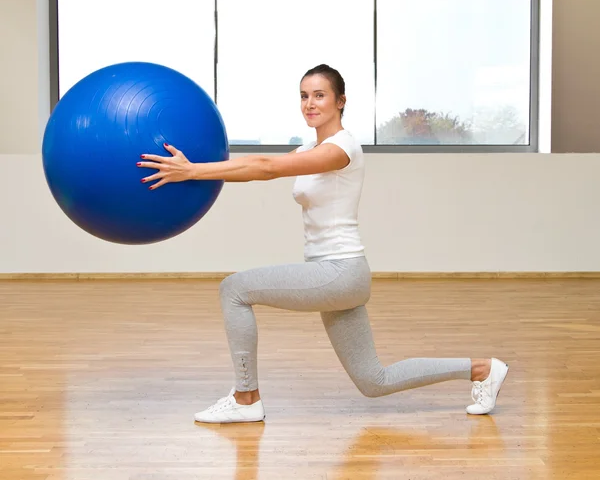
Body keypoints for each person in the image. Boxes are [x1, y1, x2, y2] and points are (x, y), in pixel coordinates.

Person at [137, 64, 509, 424]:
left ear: (341, 101)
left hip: (339, 272)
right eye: (303, 96)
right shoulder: (308, 151)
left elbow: (266, 167)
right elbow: (254, 170)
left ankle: (245, 398)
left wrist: (193, 171)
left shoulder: (342, 148)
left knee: (234, 289)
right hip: (338, 276)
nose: (309, 104)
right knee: (373, 381)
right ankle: (482, 369)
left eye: (319, 95)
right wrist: (193, 172)